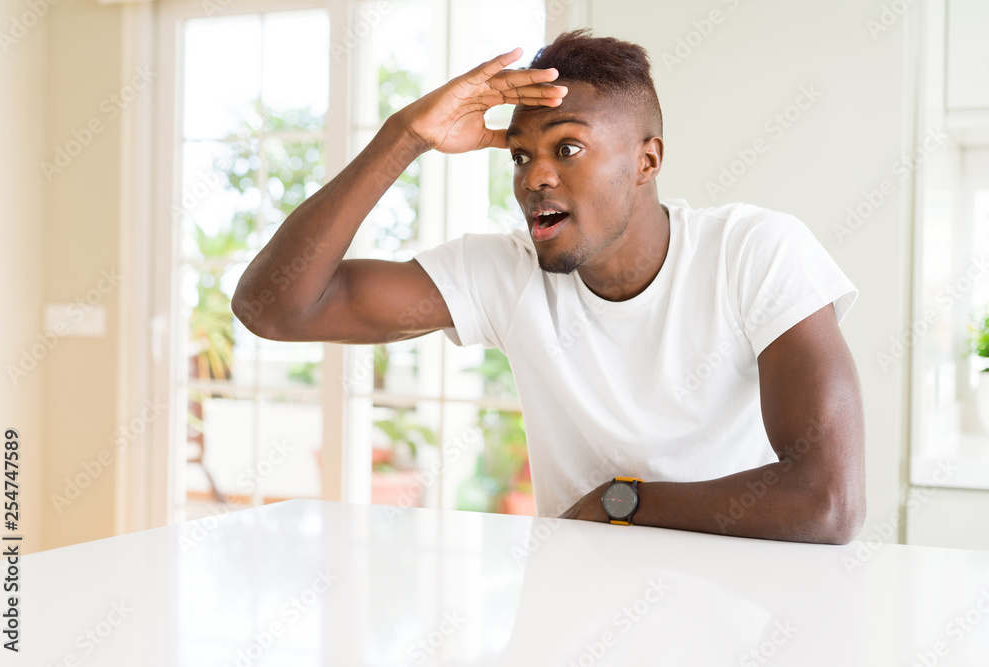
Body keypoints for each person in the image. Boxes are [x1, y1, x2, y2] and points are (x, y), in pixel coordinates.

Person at [232, 29, 865, 545]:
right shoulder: (505, 273)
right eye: (519, 155)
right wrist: (405, 137)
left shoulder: (753, 252)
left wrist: (623, 503)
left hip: (746, 611)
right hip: (575, 612)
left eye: (567, 150)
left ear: (647, 161)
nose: (535, 177)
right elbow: (276, 309)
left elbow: (827, 501)